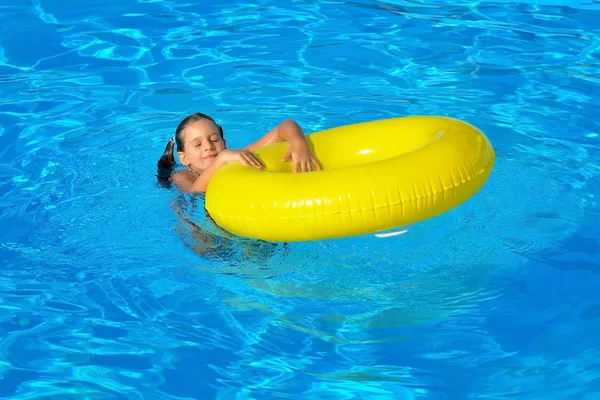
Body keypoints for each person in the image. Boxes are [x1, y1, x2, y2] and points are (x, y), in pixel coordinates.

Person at [157, 112, 321, 192]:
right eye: (198, 144)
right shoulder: (181, 176)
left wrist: (299, 143)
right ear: (183, 158)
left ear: (224, 144)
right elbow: (196, 192)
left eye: (214, 140)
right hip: (201, 232)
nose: (208, 146)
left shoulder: (238, 157)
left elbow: (284, 127)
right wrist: (221, 159)